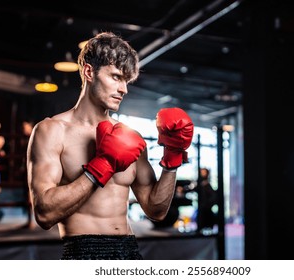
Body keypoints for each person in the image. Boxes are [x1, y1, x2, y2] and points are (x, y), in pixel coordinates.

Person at [26, 31, 194, 260]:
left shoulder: (130, 137)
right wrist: (100, 168)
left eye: (127, 81)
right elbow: (44, 214)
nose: (124, 89)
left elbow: (156, 209)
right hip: (82, 254)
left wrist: (172, 159)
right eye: (116, 77)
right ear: (88, 72)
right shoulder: (52, 131)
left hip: (130, 253)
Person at [195, 168, 218, 233]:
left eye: (204, 172)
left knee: (206, 217)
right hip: (203, 205)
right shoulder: (201, 183)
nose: (202, 173)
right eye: (202, 172)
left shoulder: (207, 184)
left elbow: (212, 196)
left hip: (206, 205)